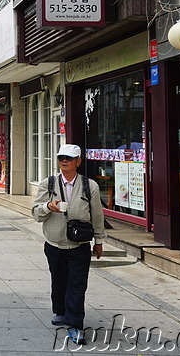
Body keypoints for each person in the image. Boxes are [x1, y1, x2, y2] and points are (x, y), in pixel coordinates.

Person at [31, 144, 106, 345]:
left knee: (77, 284)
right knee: (59, 279)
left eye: (69, 158)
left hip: (80, 244)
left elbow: (97, 216)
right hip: (54, 243)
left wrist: (98, 241)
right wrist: (48, 206)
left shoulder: (90, 186)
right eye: (61, 157)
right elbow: (36, 213)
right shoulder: (48, 184)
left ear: (78, 162)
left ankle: (75, 324)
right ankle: (60, 311)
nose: (64, 161)